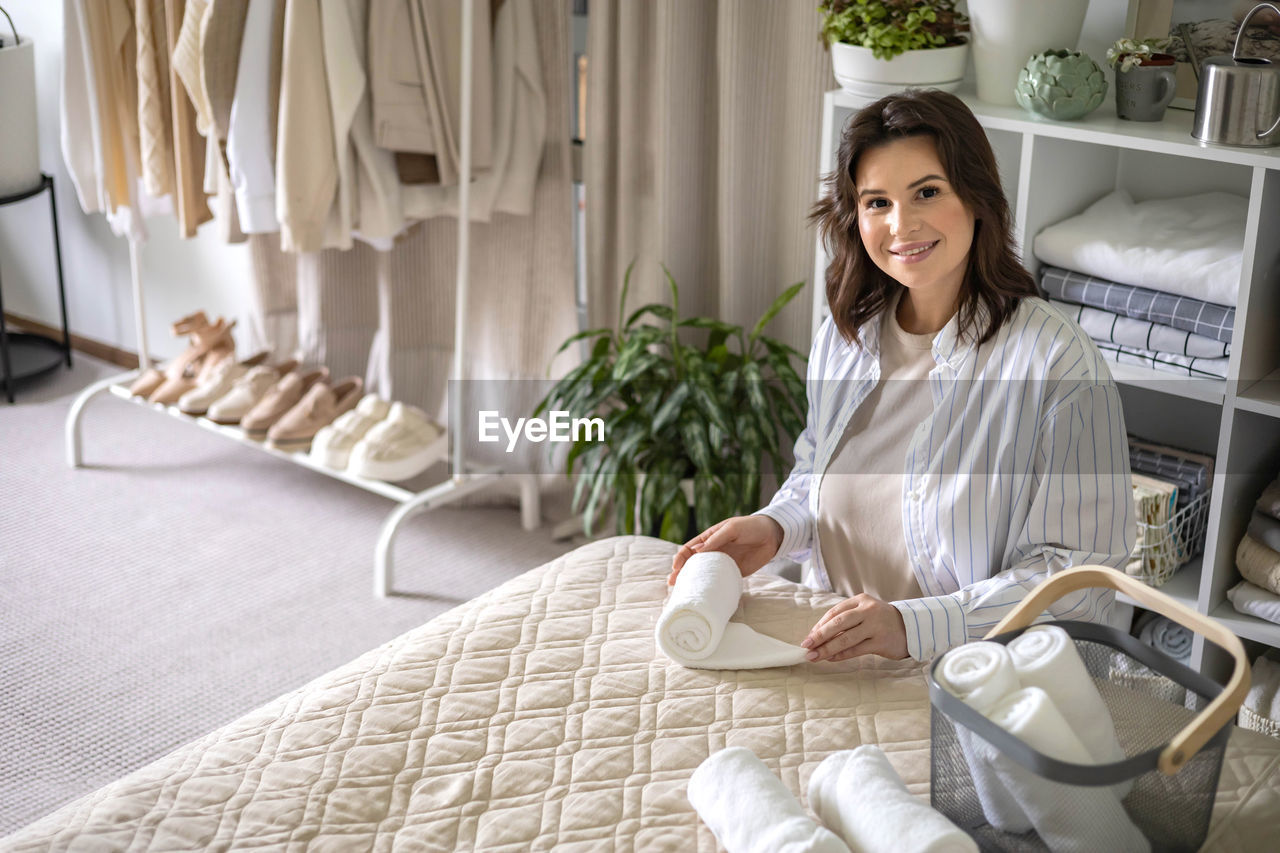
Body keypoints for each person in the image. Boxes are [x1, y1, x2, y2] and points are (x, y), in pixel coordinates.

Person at [669, 89, 1134, 664]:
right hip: (830, 659)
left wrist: (914, 627)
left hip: (969, 686)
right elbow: (817, 468)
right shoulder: (844, 337)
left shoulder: (1057, 365)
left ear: (977, 197)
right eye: (877, 202)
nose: (901, 225)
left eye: (927, 192)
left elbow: (1082, 582)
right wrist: (776, 526)